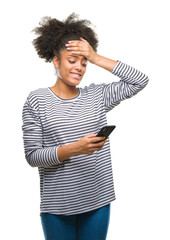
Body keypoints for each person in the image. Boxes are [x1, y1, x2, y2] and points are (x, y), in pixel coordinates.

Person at [22, 13, 149, 240]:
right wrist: (76, 149)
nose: (79, 67)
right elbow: (33, 156)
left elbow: (139, 80)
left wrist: (95, 56)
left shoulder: (97, 95)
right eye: (72, 60)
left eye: (84, 63)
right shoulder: (37, 100)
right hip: (58, 204)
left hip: (98, 198)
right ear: (56, 60)